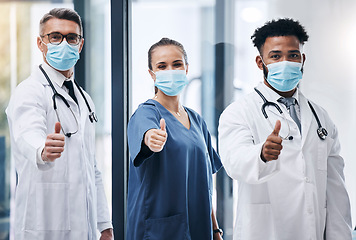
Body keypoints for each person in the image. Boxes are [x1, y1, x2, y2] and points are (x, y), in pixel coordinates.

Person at [218, 18, 352, 240]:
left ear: (302, 59)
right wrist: (261, 154)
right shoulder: (239, 112)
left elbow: (336, 189)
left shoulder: (321, 118)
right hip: (265, 232)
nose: (286, 62)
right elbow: (234, 162)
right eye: (276, 56)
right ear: (260, 63)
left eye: (293, 55)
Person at [6, 8, 113, 240]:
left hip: (83, 228)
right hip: (44, 225)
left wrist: (104, 224)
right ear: (40, 43)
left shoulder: (84, 99)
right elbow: (27, 132)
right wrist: (42, 149)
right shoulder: (29, 91)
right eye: (55, 37)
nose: (63, 43)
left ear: (80, 45)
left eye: (71, 37)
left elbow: (91, 166)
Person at [127, 38, 223, 240]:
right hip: (159, 230)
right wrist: (151, 138)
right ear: (152, 74)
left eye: (177, 64)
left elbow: (205, 183)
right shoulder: (146, 114)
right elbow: (147, 134)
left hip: (199, 226)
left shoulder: (196, 120)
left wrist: (215, 229)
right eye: (162, 66)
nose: (170, 70)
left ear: (186, 68)